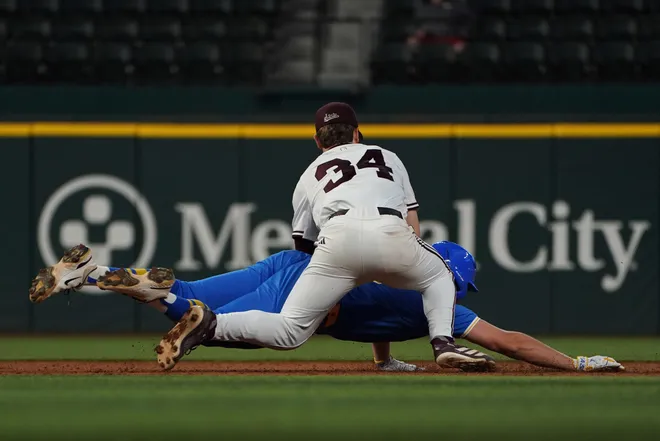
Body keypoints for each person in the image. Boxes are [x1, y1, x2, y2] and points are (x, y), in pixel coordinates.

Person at [29, 242, 623, 373]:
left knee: (183, 295)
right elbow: (509, 340)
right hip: (305, 288)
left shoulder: (398, 271)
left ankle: (95, 273)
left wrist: (385, 361)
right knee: (205, 325)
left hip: (288, 263)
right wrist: (575, 363)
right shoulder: (432, 301)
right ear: (454, 279)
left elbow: (372, 305)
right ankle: (190, 318)